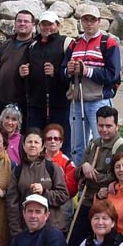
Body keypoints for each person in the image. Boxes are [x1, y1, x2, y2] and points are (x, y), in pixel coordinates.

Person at [62, 4, 121, 164]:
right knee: (77, 146)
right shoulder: (74, 44)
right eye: (85, 20)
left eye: (92, 20)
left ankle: (102, 179)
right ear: (81, 21)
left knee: (102, 142)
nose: (88, 23)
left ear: (99, 21)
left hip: (98, 101)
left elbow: (113, 74)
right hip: (77, 100)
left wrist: (87, 71)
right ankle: (80, 181)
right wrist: (69, 70)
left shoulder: (108, 43)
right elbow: (63, 71)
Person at [70, 105, 123, 246]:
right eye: (100, 125)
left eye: (108, 126)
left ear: (116, 126)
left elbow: (117, 177)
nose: (104, 130)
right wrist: (84, 167)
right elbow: (77, 172)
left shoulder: (122, 147)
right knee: (75, 241)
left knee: (100, 244)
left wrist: (92, 177)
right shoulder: (93, 144)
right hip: (86, 200)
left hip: (106, 203)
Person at [5, 129, 68, 233]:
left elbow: (63, 195)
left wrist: (44, 192)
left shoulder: (52, 167)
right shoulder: (17, 171)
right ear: (24, 146)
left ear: (42, 147)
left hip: (52, 228)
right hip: (26, 229)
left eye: (36, 142)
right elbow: (12, 204)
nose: (32, 145)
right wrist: (16, 231)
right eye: (29, 142)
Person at [23, 11, 71, 146]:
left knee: (59, 139)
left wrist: (55, 73)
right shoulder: (32, 45)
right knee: (35, 139)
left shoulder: (66, 43)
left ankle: (61, 165)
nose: (46, 27)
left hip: (60, 103)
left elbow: (71, 75)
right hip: (36, 103)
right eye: (43, 24)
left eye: (50, 24)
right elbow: (26, 70)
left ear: (58, 25)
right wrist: (23, 73)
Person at [0, 9, 36, 124]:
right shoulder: (7, 43)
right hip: (0, 99)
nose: (22, 24)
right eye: (19, 21)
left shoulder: (36, 46)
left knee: (19, 135)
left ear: (33, 25)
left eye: (26, 21)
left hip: (22, 102)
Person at [43, 123, 77, 228]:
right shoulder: (37, 161)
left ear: (61, 142)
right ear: (44, 142)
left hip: (61, 211)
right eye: (49, 138)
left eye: (56, 138)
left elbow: (71, 190)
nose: (53, 141)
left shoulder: (67, 163)